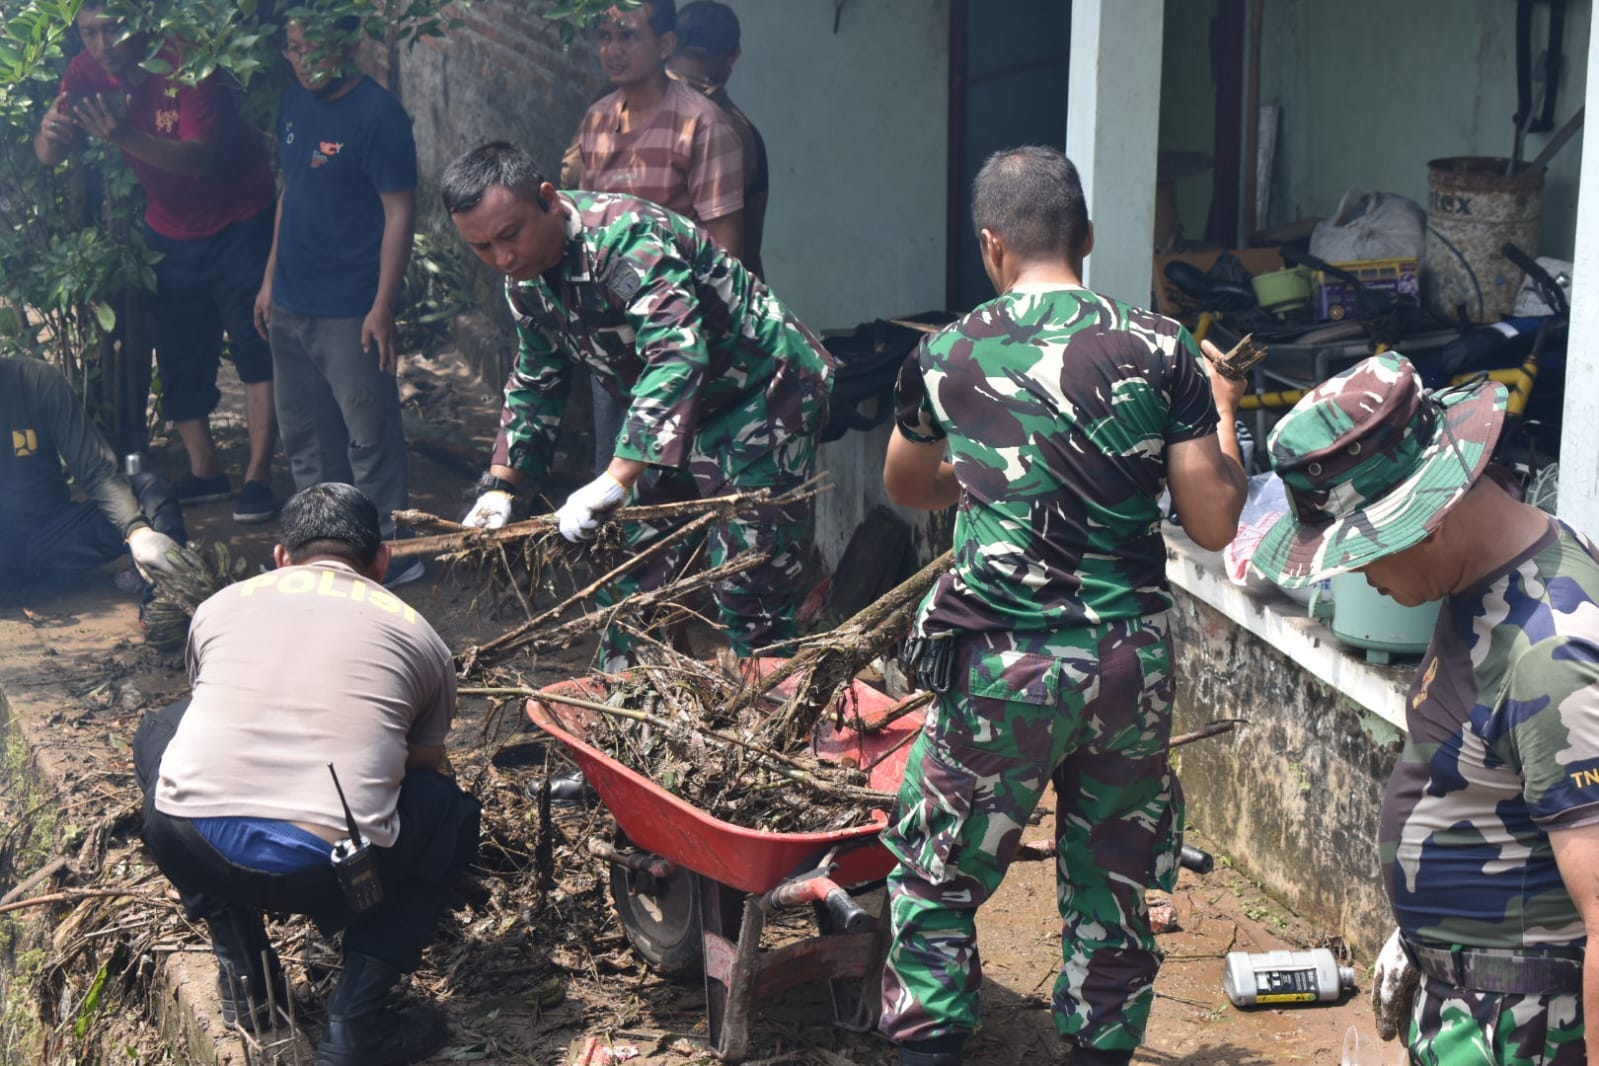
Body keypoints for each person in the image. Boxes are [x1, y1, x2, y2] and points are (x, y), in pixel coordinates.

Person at [877, 146, 1248, 1066]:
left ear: (989, 244)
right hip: (1128, 668)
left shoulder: (945, 352)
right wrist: (1225, 409)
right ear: (1086, 237)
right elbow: (1212, 521)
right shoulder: (1161, 347)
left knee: (935, 873)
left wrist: (984, 477)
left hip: (1002, 665)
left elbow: (907, 485)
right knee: (1111, 881)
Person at [1249, 353, 1596, 1065]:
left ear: (1428, 521)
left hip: (1523, 1030)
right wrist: (1428, 936)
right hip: (1470, 999)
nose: (1358, 574)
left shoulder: (1551, 656)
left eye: (1361, 553)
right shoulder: (1487, 576)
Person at [443, 142, 831, 667]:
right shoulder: (526, 284)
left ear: (548, 199)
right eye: (482, 247)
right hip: (674, 417)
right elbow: (536, 379)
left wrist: (616, 478)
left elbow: (677, 355)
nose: (503, 258)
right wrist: (500, 488)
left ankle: (772, 704)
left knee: (750, 582)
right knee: (631, 573)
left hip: (762, 397)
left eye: (510, 234)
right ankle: (634, 703)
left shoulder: (625, 240)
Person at [135, 482, 480, 1066]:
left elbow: (210, 709)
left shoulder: (220, 606)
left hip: (187, 845)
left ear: (281, 557)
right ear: (382, 561)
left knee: (161, 729)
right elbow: (421, 767)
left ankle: (245, 972)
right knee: (445, 807)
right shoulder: (420, 635)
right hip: (331, 871)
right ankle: (355, 1024)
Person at [35, 1, 279, 523]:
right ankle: (206, 472)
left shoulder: (185, 59)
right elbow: (48, 154)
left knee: (256, 344)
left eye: (112, 30)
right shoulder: (85, 71)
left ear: (138, 21)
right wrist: (50, 135)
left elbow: (198, 159)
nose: (102, 45)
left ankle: (258, 476)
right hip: (169, 227)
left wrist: (120, 134)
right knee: (178, 352)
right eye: (89, 33)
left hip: (240, 216)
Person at [253, 17, 422, 586]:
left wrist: (383, 304)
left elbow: (400, 211)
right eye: (293, 48)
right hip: (291, 300)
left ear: (346, 44)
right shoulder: (293, 103)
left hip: (351, 304)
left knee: (368, 435)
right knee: (305, 436)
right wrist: (270, 280)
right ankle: (320, 551)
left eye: (314, 47)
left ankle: (390, 553)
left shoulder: (379, 115)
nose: (303, 60)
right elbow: (290, 193)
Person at [564, 0, 747, 473]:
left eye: (627, 35)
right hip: (611, 332)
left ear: (666, 44)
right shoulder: (598, 120)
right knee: (612, 477)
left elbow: (725, 256)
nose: (613, 49)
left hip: (678, 335)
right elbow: (582, 230)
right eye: (605, 36)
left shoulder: (703, 125)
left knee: (673, 480)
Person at [1, 357, 185, 592]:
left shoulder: (35, 380)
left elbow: (96, 469)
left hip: (55, 537)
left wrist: (137, 531)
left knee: (150, 488)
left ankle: (166, 597)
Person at [670, 0, 769, 280]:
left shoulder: (614, 106)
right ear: (732, 57)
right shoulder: (743, 134)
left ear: (669, 43)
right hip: (708, 295)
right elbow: (744, 248)